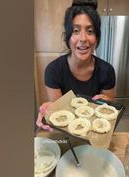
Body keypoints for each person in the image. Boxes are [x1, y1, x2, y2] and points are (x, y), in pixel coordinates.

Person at [36, 0, 116, 131]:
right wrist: (50, 111)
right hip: (66, 134)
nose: (83, 38)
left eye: (90, 31)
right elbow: (59, 115)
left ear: (96, 37)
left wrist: (106, 103)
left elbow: (108, 112)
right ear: (67, 36)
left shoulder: (107, 71)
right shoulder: (53, 70)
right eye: (75, 30)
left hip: (94, 132)